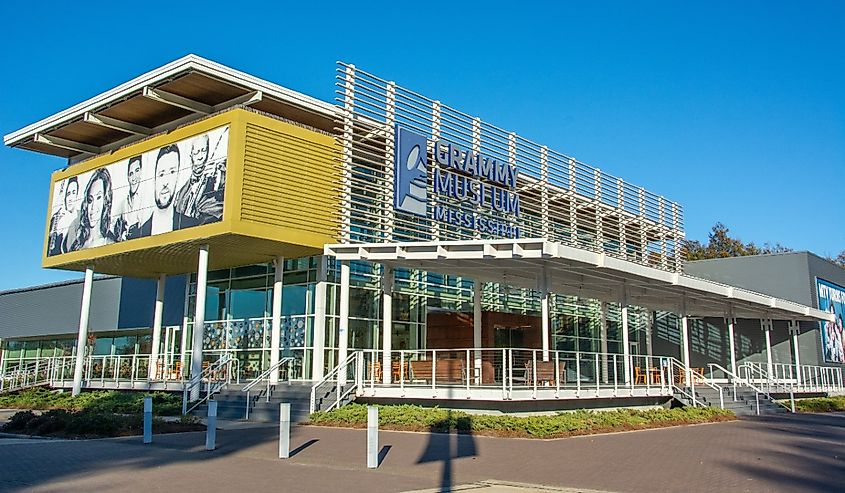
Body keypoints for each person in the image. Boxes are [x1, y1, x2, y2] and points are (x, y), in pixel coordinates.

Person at [172, 133, 224, 229]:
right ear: (191, 155)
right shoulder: (181, 192)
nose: (200, 156)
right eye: (196, 152)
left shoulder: (214, 174)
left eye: (203, 151)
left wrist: (219, 174)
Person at [71, 168, 115, 250]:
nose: (93, 206)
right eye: (90, 200)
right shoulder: (76, 246)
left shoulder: (110, 244)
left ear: (105, 201)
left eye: (98, 197)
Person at [113, 155, 152, 241]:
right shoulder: (123, 202)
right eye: (131, 174)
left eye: (137, 171)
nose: (134, 178)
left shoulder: (146, 198)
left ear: (141, 172)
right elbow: (112, 224)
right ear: (128, 177)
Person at [151, 144, 180, 235]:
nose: (165, 182)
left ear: (177, 176)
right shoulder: (136, 233)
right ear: (154, 179)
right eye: (161, 174)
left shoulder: (192, 225)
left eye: (172, 172)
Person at [47, 176, 79, 255]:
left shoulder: (82, 216)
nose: (70, 198)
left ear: (77, 195)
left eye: (73, 192)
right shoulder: (57, 218)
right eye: (68, 194)